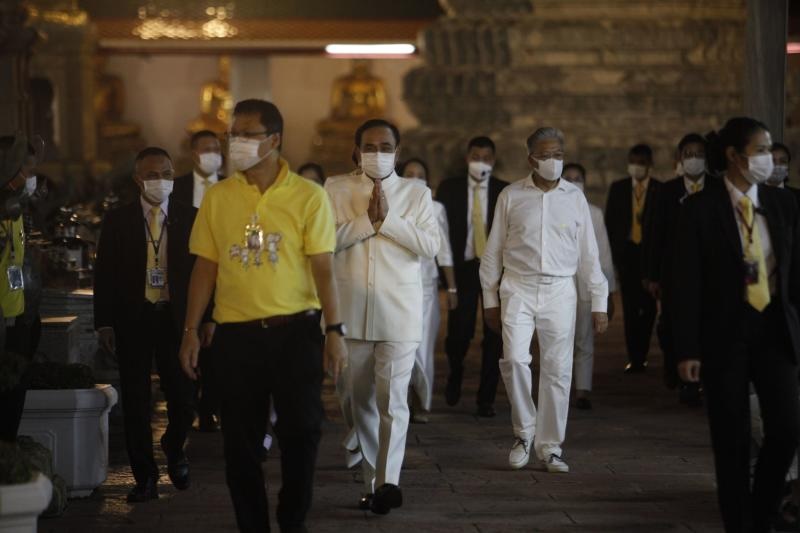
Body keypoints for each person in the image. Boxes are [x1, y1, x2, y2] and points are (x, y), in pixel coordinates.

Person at [178, 99, 347, 533]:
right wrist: (190, 330)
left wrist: (334, 329)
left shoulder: (308, 196)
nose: (235, 142)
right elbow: (205, 267)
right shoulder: (219, 197)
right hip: (237, 337)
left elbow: (323, 268)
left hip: (296, 332)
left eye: (246, 135)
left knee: (303, 431)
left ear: (273, 140)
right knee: (240, 444)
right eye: (232, 134)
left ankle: (292, 519)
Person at [673, 117, 800, 533]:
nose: (768, 158)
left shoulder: (783, 204)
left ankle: (762, 510)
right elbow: (685, 283)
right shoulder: (700, 208)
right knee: (732, 437)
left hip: (774, 330)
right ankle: (739, 523)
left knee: (787, 427)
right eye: (760, 150)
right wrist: (687, 349)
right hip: (724, 333)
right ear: (734, 155)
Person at [325, 119, 439, 515]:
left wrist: (389, 221)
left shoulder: (416, 192)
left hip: (399, 312)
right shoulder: (335, 188)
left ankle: (387, 483)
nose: (377, 154)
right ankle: (372, 481)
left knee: (393, 401)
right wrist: (365, 223)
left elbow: (430, 246)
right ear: (357, 151)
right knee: (359, 403)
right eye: (369, 147)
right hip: (352, 312)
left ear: (398, 151)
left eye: (385, 147)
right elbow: (323, 242)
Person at [480, 127, 609, 474]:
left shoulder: (575, 198)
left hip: (560, 290)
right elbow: (493, 251)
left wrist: (599, 301)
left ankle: (550, 446)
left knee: (557, 369)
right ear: (531, 159)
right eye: (546, 155)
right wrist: (489, 298)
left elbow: (589, 254)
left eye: (558, 155)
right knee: (514, 359)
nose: (553, 161)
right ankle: (524, 433)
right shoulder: (511, 195)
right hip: (517, 287)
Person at [94, 147, 203, 502]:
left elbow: (204, 271)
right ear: (138, 179)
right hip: (134, 317)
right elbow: (105, 273)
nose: (161, 181)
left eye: (167, 174)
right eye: (153, 175)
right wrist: (104, 323)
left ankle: (174, 443)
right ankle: (145, 477)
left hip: (177, 319)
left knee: (184, 397)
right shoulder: (119, 220)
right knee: (136, 401)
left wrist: (205, 320)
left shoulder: (191, 216)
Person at [436, 136, 508, 417]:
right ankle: (455, 372)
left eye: (486, 158)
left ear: (494, 160)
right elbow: (441, 231)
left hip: (495, 269)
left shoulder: (504, 190)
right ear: (467, 158)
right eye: (475, 157)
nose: (481, 162)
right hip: (464, 268)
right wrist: (447, 278)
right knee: (459, 331)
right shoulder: (449, 188)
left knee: (495, 334)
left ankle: (486, 398)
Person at [642, 133, 709, 406]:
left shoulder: (716, 188)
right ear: (680, 158)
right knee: (673, 324)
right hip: (674, 272)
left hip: (709, 273)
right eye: (688, 154)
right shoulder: (667, 191)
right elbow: (655, 234)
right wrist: (652, 275)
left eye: (699, 154)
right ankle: (679, 372)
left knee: (706, 325)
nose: (694, 159)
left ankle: (699, 381)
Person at [172, 129, 224, 433]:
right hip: (186, 274)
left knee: (215, 350)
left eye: (217, 148)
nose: (213, 154)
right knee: (189, 342)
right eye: (207, 149)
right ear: (194, 154)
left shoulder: (232, 187)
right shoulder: (177, 188)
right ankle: (187, 404)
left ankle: (209, 408)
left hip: (222, 276)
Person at [398, 157, 457, 423]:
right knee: (399, 345)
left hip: (426, 287)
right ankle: (401, 400)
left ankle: (422, 401)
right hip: (397, 285)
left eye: (420, 174)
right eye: (409, 174)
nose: (415, 178)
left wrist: (452, 287)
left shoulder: (436, 208)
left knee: (422, 345)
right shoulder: (392, 205)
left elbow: (444, 250)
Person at [560, 163, 616, 410]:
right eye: (568, 178)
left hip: (584, 285)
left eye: (578, 178)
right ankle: (560, 388)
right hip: (559, 285)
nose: (573, 182)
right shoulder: (552, 210)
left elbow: (603, 254)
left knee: (584, 339)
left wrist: (608, 292)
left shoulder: (594, 213)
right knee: (559, 339)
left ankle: (582, 390)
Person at [605, 143, 661, 373]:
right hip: (627, 253)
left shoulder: (659, 189)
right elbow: (610, 223)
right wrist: (613, 258)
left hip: (649, 253)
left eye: (641, 163)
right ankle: (635, 358)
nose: (636, 167)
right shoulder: (618, 188)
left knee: (648, 307)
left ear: (650, 164)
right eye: (633, 162)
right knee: (629, 307)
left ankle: (643, 351)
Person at [0, 134, 32, 442]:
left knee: (13, 393)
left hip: (16, 316)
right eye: (21, 169)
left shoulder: (15, 211)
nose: (27, 176)